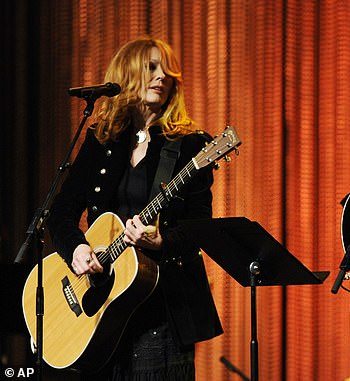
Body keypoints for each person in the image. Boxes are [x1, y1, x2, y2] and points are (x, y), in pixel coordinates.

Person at [47, 37, 223, 379]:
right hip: (101, 311)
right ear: (126, 74)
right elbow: (60, 212)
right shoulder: (102, 140)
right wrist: (77, 249)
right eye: (151, 67)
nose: (162, 76)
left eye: (167, 70)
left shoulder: (190, 144)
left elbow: (201, 227)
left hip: (161, 311)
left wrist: (160, 242)